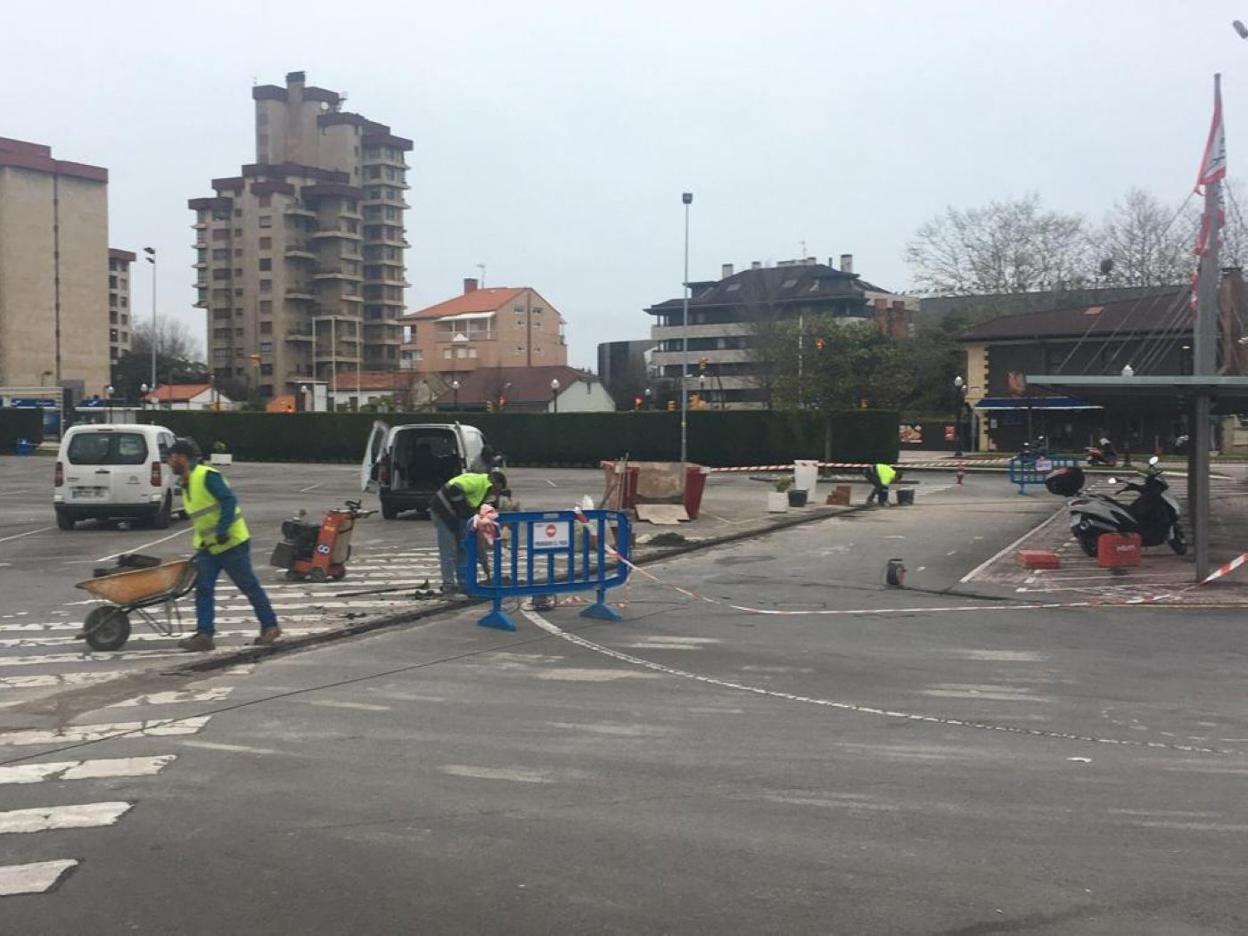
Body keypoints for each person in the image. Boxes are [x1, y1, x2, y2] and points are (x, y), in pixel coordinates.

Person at [166, 439, 280, 651]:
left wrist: (222, 530)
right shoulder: (186, 482)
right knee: (204, 589)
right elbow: (203, 518)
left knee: (249, 586)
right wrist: (202, 544)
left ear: (182, 457)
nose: (168, 462)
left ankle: (270, 626)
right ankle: (204, 635)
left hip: (231, 544)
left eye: (171, 457)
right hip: (209, 548)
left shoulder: (207, 476)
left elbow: (228, 501)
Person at [428, 468, 507, 596]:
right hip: (442, 512)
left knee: (463, 548)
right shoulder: (477, 481)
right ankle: (449, 587)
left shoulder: (483, 491)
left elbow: (473, 510)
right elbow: (454, 489)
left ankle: (464, 584)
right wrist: (463, 510)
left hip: (455, 516)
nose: (496, 493)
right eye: (497, 489)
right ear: (493, 482)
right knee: (449, 550)